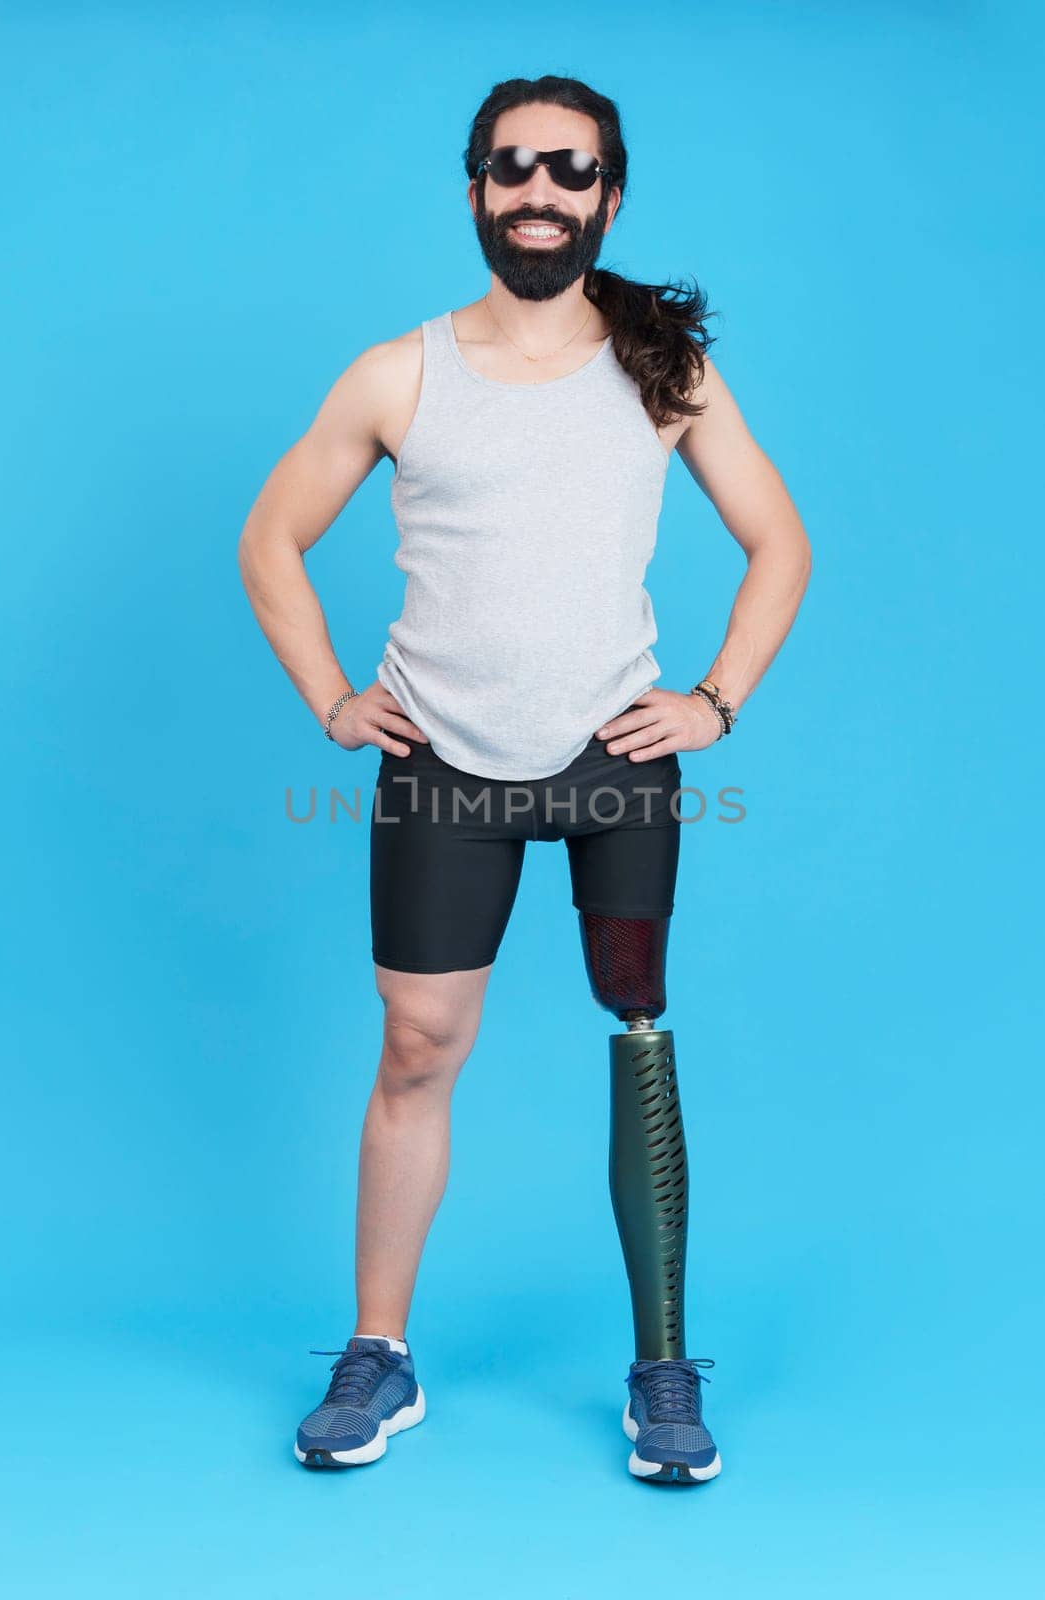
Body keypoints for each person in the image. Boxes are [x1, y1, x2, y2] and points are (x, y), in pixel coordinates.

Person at [238, 73, 811, 1485]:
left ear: (607, 193)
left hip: (610, 765)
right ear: (475, 190)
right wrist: (328, 697)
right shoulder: (398, 373)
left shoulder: (660, 367)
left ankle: (662, 1368)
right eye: (511, 169)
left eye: (569, 171)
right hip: (442, 761)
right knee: (419, 1046)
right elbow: (268, 540)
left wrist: (714, 705)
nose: (539, 195)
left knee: (637, 1034)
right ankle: (378, 1354)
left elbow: (778, 543)